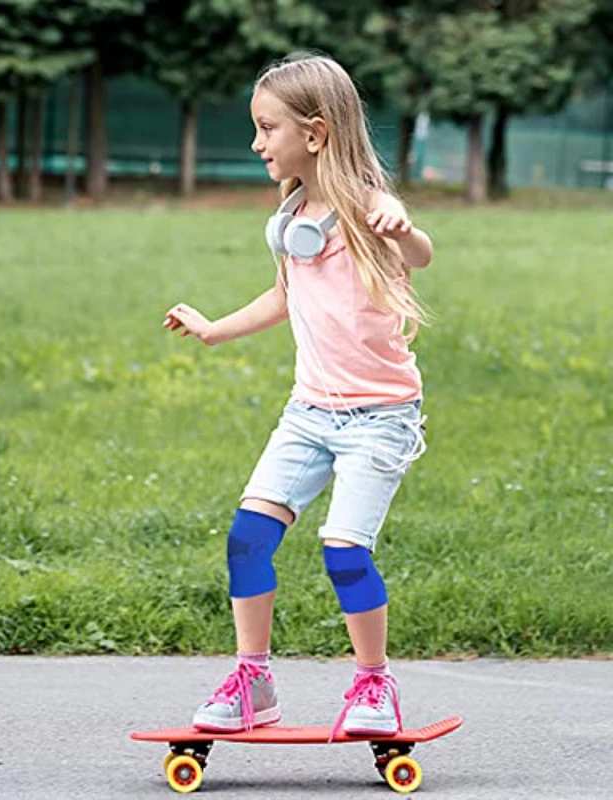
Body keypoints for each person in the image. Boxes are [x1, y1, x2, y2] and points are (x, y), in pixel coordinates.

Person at [162, 53, 433, 739]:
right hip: (309, 414)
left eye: (266, 128)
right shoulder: (290, 218)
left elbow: (419, 250)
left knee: (344, 550)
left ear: (314, 134)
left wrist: (403, 230)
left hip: (379, 419)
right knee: (247, 539)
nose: (257, 144)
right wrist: (216, 331)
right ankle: (253, 682)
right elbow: (285, 295)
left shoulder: (367, 209)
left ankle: (375, 684)